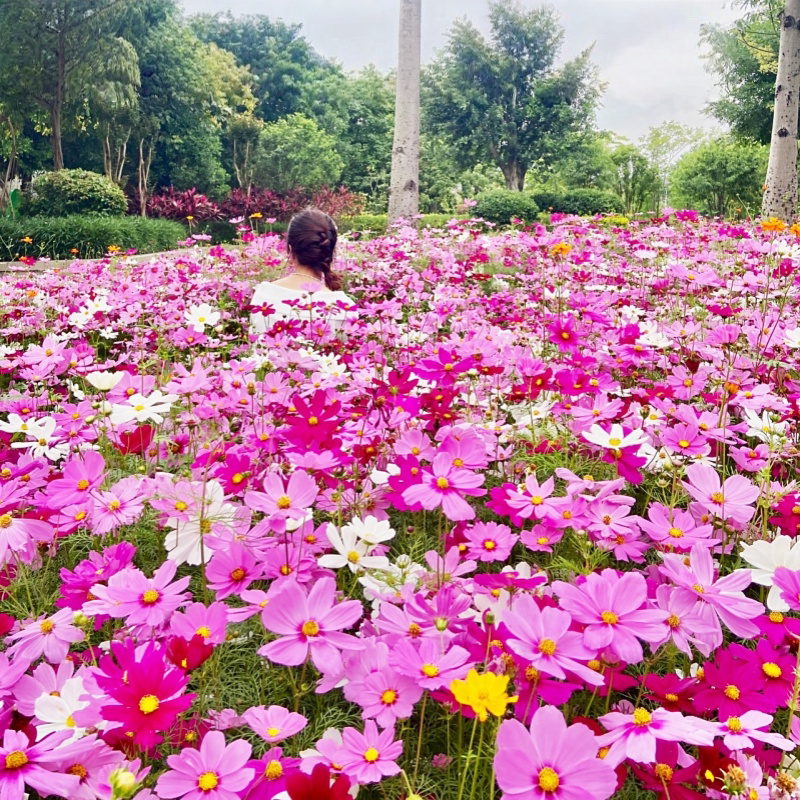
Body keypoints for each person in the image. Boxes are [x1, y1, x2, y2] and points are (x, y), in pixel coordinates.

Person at [249, 208, 355, 336]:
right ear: (330, 250)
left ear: (289, 249)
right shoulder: (346, 309)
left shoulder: (264, 294)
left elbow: (255, 341)